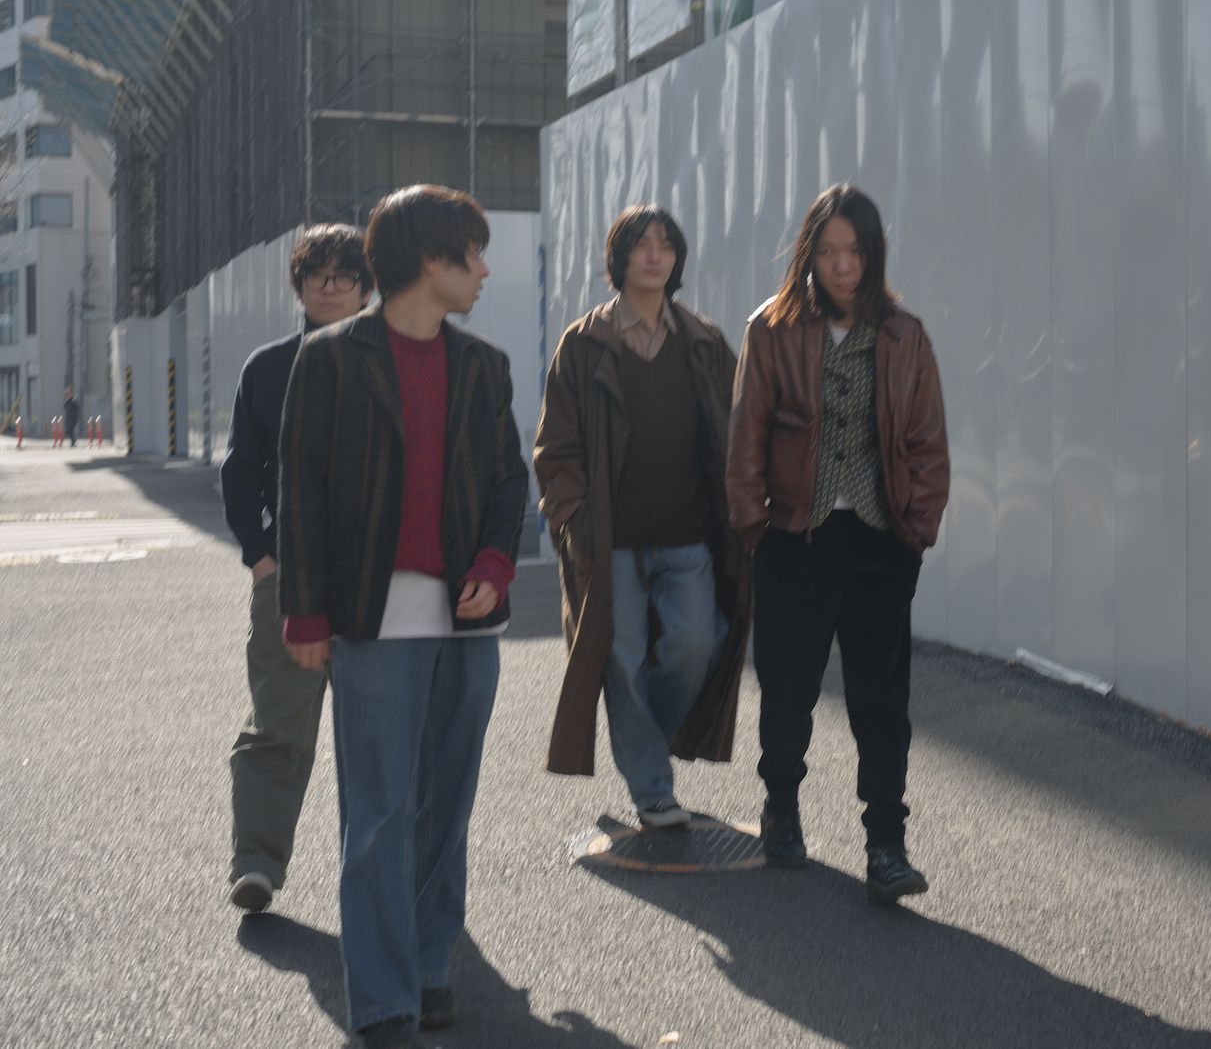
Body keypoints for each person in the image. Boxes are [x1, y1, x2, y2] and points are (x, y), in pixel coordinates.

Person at [277, 185, 527, 1049]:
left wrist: (495, 563)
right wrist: (304, 613)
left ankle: (427, 968)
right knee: (380, 812)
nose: (484, 269)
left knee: (446, 807)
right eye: (473, 252)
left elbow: (508, 480)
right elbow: (300, 490)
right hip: (369, 619)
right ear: (430, 258)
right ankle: (382, 1000)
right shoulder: (332, 359)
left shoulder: (484, 365)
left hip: (468, 622)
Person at [727, 184, 950, 904]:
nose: (842, 265)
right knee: (788, 687)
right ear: (808, 255)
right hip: (795, 535)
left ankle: (886, 844)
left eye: (854, 251)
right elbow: (746, 435)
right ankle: (781, 807)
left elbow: (928, 442)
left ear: (874, 253)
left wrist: (915, 534)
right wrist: (756, 529)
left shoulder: (904, 336)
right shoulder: (772, 329)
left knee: (881, 700)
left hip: (881, 541)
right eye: (827, 251)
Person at [534, 204, 750, 826]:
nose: (654, 255)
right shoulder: (584, 343)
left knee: (696, 644)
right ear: (619, 256)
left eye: (666, 245)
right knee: (622, 660)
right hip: (610, 541)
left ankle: (648, 736)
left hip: (690, 533)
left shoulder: (705, 342)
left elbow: (740, 431)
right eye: (641, 244)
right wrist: (573, 520)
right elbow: (555, 449)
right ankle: (653, 789)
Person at [219, 223, 372, 914]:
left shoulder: (392, 359)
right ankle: (256, 862)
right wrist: (261, 560)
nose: (330, 286)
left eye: (344, 274)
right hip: (289, 576)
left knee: (380, 737)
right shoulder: (269, 367)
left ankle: (379, 877)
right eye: (317, 275)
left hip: (379, 577)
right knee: (278, 724)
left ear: (367, 287)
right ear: (300, 286)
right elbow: (241, 472)